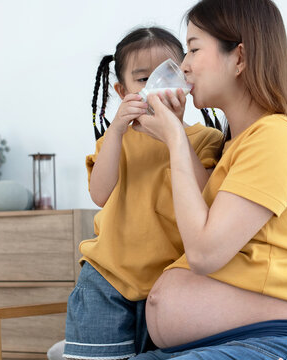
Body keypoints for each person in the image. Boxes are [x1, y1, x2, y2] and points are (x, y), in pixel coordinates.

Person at [128, 0, 287, 359]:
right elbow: (203, 218)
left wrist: (176, 137)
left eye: (193, 49)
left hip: (266, 343)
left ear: (239, 57)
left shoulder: (278, 137)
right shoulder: (238, 144)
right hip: (214, 345)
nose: (184, 65)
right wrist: (172, 134)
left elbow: (205, 253)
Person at [63, 26, 225, 359]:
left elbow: (205, 198)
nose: (156, 87)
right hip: (106, 280)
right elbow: (99, 194)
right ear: (121, 91)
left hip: (172, 289)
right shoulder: (114, 142)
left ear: (186, 80)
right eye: (142, 80)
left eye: (167, 74)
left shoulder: (205, 139)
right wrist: (118, 129)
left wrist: (174, 134)